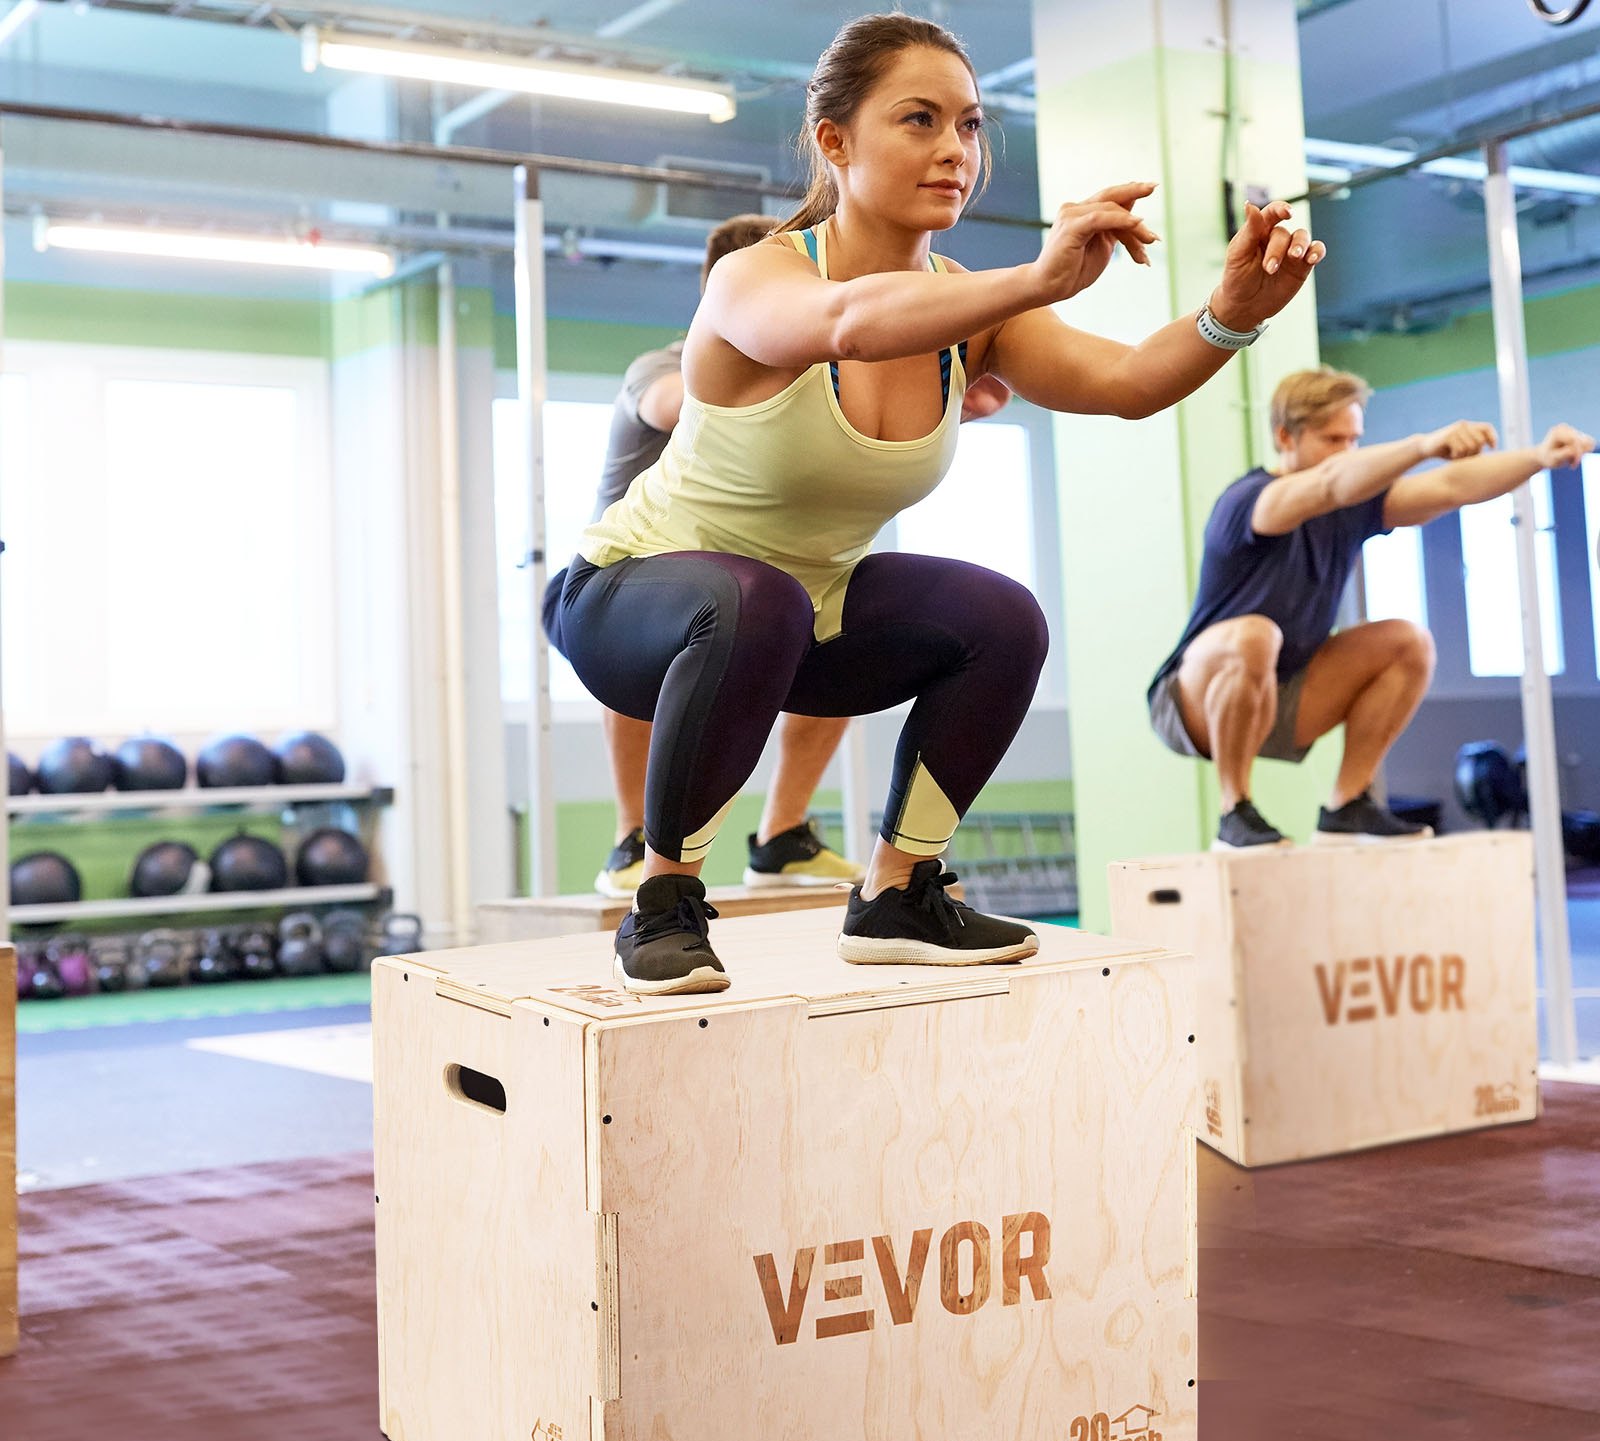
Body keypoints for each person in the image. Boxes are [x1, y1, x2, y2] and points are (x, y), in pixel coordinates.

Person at [551, 11, 1324, 993]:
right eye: (918, 120)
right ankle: (662, 900)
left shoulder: (970, 312)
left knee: (999, 617)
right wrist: (1037, 275)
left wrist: (1229, 317)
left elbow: (1129, 382)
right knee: (757, 598)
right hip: (627, 601)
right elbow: (848, 322)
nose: (954, 151)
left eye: (968, 126)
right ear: (834, 140)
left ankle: (897, 892)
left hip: (797, 616)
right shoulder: (760, 277)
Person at [543, 214, 865, 898]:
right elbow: (675, 406)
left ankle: (782, 838)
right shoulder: (662, 367)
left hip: (743, 595)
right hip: (606, 587)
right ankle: (633, 838)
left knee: (839, 623)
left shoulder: (809, 374)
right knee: (662, 637)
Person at [1147, 365, 1594, 850]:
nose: (1347, 453)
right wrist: (1422, 445)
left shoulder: (1355, 505)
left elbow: (1450, 488)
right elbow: (1329, 486)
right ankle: (1235, 811)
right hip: (1192, 702)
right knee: (1256, 634)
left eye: (1354, 440)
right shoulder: (1250, 500)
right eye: (1332, 439)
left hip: (1284, 695)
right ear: (1285, 437)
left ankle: (1346, 807)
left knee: (1408, 642)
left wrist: (1539, 457)